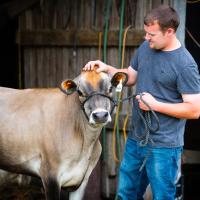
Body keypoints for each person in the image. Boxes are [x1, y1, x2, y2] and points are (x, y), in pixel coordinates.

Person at [83, 4, 200, 200]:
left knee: (163, 196)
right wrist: (106, 68)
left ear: (169, 32)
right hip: (136, 139)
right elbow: (130, 76)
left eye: (151, 34)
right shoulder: (146, 47)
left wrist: (155, 105)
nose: (146, 38)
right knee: (125, 194)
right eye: (146, 33)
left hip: (164, 146)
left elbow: (194, 110)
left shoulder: (185, 64)